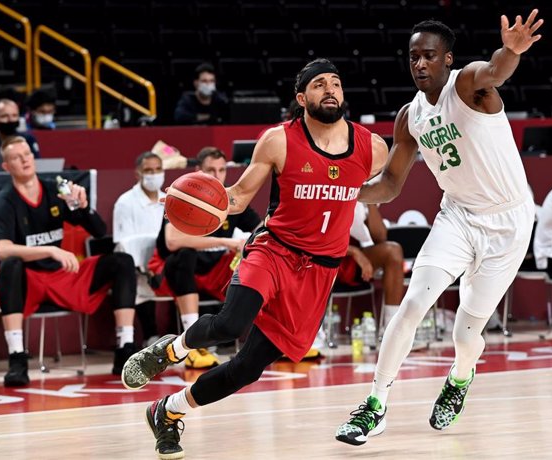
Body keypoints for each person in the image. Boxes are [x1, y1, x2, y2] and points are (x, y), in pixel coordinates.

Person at [121, 58, 388, 459]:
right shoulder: (279, 139)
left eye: (335, 83)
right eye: (319, 85)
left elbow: (384, 189)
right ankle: (170, 351)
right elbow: (237, 197)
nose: (330, 89)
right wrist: (185, 199)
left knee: (248, 368)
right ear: (302, 98)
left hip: (319, 271)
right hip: (275, 250)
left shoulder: (372, 147)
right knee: (230, 322)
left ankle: (168, 411)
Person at [336, 10, 542, 445]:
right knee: (412, 306)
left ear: (447, 60)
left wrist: (512, 51)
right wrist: (346, 192)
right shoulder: (408, 117)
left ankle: (460, 377)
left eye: (429, 56)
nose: (420, 64)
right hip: (458, 216)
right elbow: (389, 185)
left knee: (465, 333)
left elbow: (495, 70)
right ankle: (374, 406)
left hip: (508, 222)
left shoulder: (467, 85)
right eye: (413, 57)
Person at [0, 136, 137, 386]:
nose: (24, 160)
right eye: (16, 157)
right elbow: (2, 249)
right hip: (25, 280)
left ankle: (125, 349)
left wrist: (83, 207)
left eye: (27, 154)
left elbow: (99, 231)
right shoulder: (5, 200)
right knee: (10, 264)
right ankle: (17, 358)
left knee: (122, 261)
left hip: (60, 277)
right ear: (6, 166)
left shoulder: (56, 190)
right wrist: (50, 250)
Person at [146, 146, 262, 369]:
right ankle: (192, 344)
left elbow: (260, 229)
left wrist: (246, 245)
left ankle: (263, 339)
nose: (217, 176)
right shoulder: (184, 196)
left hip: (213, 269)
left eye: (221, 170)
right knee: (185, 255)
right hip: (173, 272)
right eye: (211, 170)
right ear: (198, 171)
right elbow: (172, 241)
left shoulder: (230, 201)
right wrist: (225, 242)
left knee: (254, 261)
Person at [112, 151, 167, 347]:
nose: (154, 174)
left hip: (166, 261)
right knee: (137, 279)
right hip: (137, 267)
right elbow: (123, 244)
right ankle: (150, 334)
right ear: (138, 174)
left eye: (158, 169)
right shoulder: (125, 202)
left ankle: (194, 338)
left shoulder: (169, 200)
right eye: (148, 170)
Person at [338, 202, 405, 328]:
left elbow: (380, 237)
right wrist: (353, 251)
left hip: (352, 261)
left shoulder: (361, 195)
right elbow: (317, 236)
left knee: (393, 251)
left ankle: (391, 328)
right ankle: (312, 329)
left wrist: (370, 202)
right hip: (325, 256)